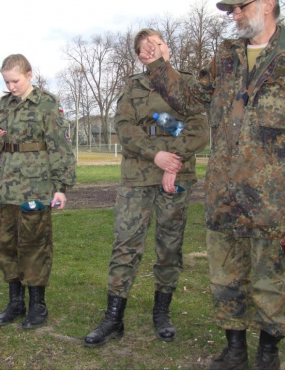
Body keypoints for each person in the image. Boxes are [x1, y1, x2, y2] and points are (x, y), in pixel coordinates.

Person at [137, 0, 285, 370]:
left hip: (272, 193)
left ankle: (267, 354)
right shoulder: (226, 55)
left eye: (241, 7)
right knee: (225, 275)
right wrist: (158, 64)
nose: (236, 15)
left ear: (268, 4)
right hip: (224, 190)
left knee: (268, 276)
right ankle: (235, 349)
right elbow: (190, 98)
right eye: (233, 9)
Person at [83, 29, 209, 348]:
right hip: (137, 177)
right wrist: (156, 155)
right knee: (125, 245)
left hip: (176, 178)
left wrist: (174, 160)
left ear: (167, 47)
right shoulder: (133, 86)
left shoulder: (188, 83)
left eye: (156, 43)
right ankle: (113, 318)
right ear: (140, 56)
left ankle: (161, 314)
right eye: (143, 48)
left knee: (169, 247)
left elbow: (200, 129)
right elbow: (123, 128)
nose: (150, 49)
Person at [0, 54, 76, 330]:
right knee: (5, 245)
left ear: (29, 74)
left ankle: (37, 306)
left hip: (35, 188)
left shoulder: (46, 104)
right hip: (4, 189)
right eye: (6, 81)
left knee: (34, 246)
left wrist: (60, 188)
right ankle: (16, 303)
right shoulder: (3, 105)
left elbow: (60, 148)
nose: (11, 86)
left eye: (15, 80)